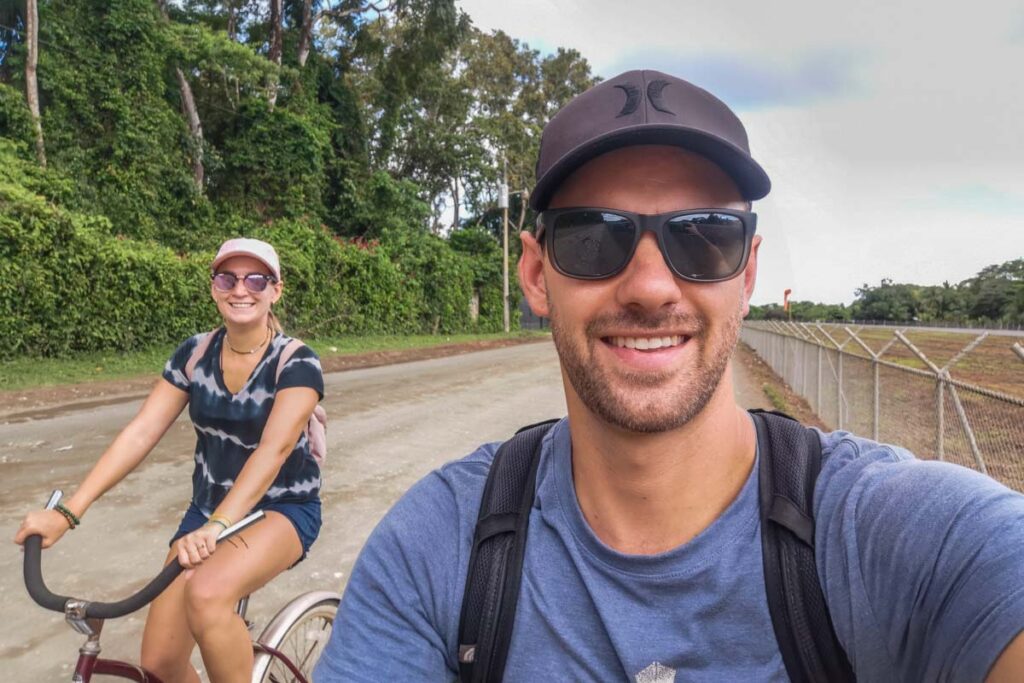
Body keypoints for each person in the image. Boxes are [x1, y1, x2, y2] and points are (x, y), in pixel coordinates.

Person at [313, 71, 1024, 681]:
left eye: (704, 235)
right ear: (536, 274)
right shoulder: (436, 550)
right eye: (594, 236)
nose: (651, 286)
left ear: (746, 274)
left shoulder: (890, 536)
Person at [15, 238, 325, 683]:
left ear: (276, 290)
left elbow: (273, 451)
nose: (241, 288)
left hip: (280, 509)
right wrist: (67, 512)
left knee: (206, 593)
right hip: (204, 515)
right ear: (214, 287)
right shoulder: (195, 354)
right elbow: (141, 433)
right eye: (227, 277)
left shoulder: (297, 362)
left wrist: (218, 525)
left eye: (256, 278)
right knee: (160, 664)